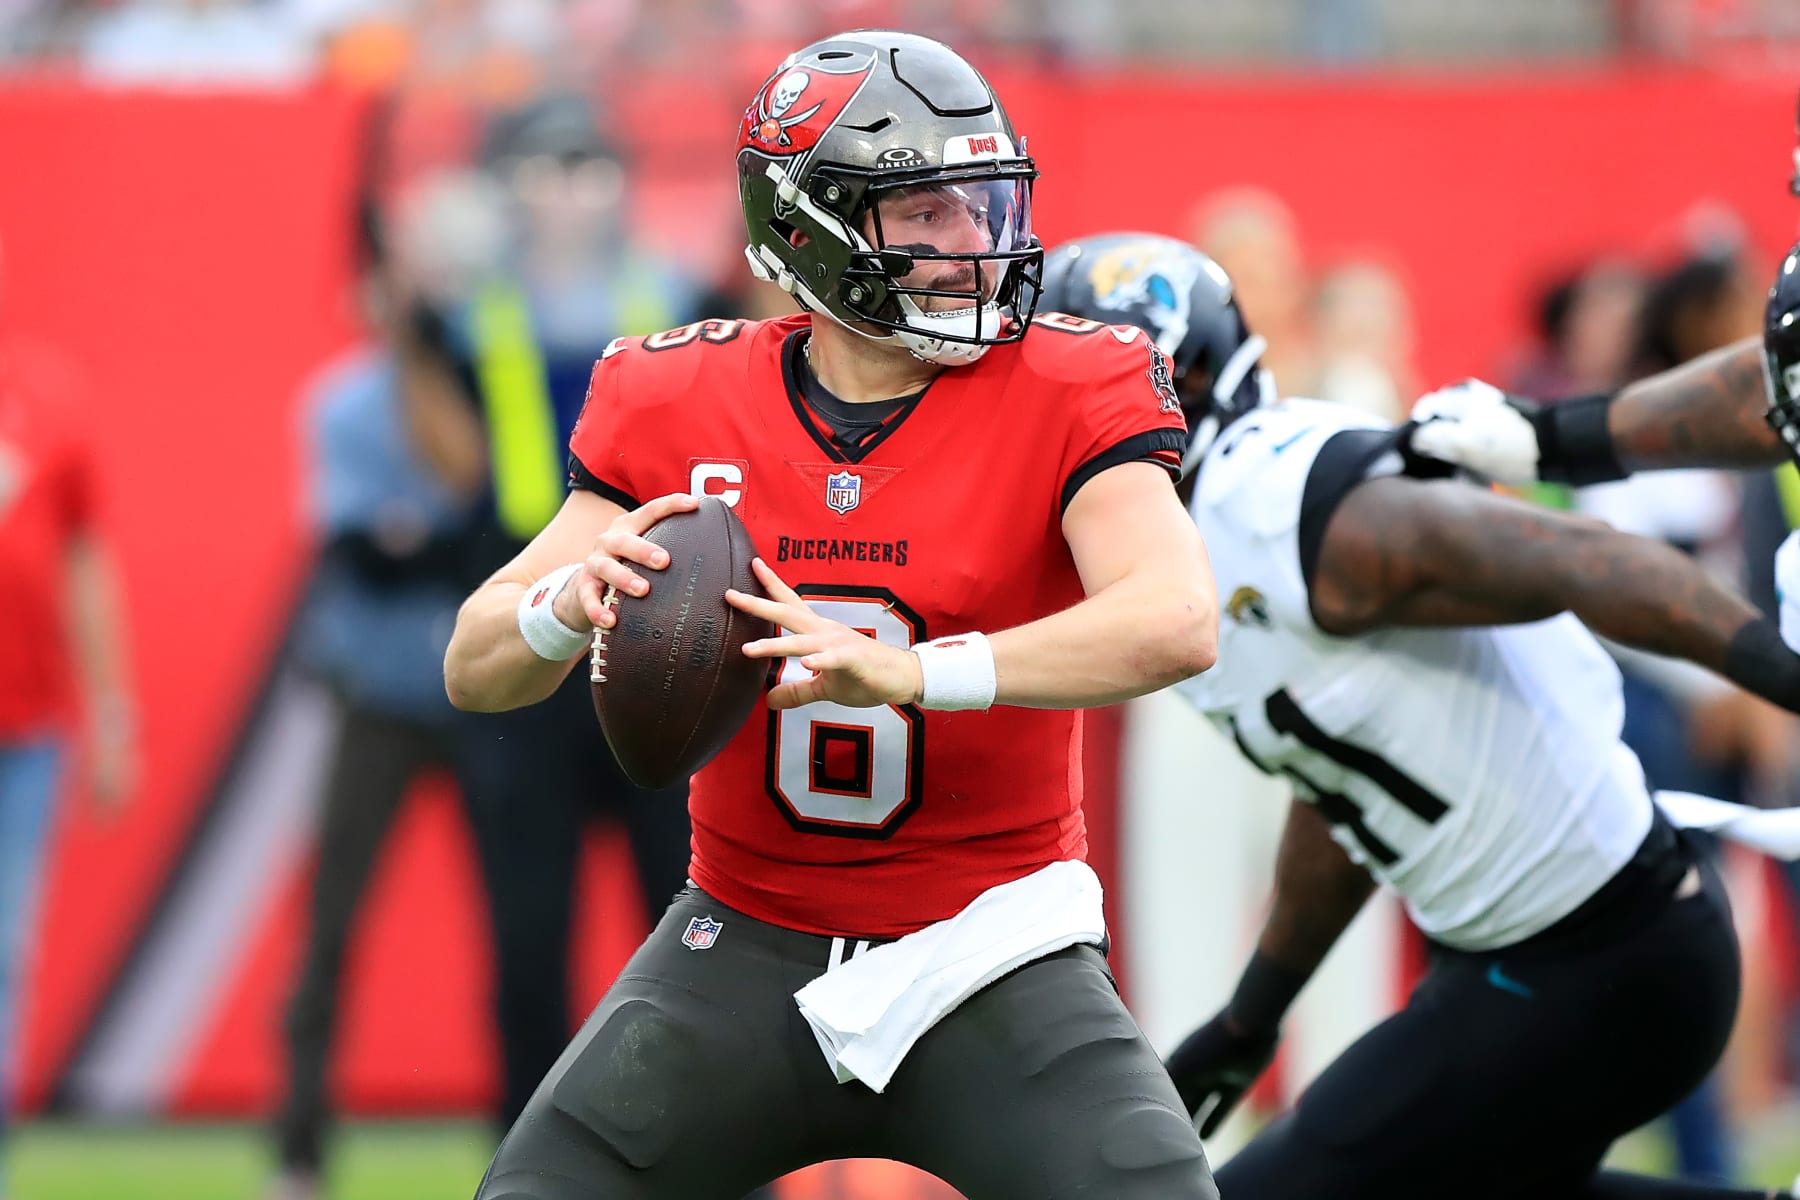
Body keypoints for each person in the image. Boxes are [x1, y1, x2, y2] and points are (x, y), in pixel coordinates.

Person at [442, 30, 1222, 1200]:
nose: (975, 245)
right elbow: (475, 663)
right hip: (740, 943)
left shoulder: (1073, 383)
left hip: (995, 951)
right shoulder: (676, 396)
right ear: (809, 230)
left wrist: (919, 673)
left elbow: (1175, 616)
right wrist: (567, 603)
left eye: (984, 206)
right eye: (928, 215)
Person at [1038, 231, 1800, 1200]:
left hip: (1600, 954)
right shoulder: (1189, 553)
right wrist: (1250, 1017)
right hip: (1547, 955)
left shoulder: (1277, 505)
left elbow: (1585, 557)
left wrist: (1786, 677)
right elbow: (1341, 785)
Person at [0, 246, 135, 1193]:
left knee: (5, 944)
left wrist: (113, 717)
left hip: (28, 725)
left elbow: (86, 562)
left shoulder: (42, 396)